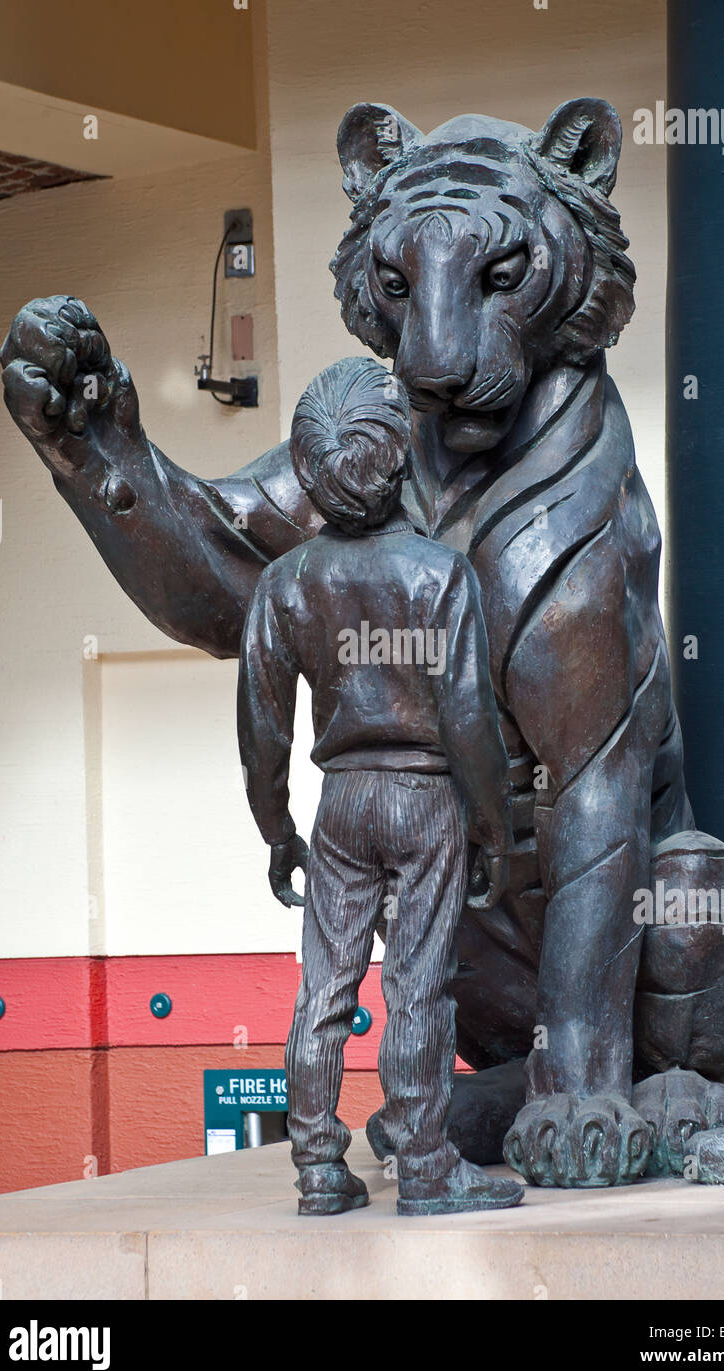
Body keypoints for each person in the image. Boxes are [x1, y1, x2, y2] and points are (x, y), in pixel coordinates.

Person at [237, 357, 522, 1217]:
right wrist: (493, 830)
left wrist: (274, 829)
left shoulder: (285, 585)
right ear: (398, 456)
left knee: (324, 985)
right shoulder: (440, 576)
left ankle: (319, 1166)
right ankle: (428, 1164)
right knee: (416, 983)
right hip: (427, 794)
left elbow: (262, 729)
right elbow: (470, 720)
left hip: (341, 803)